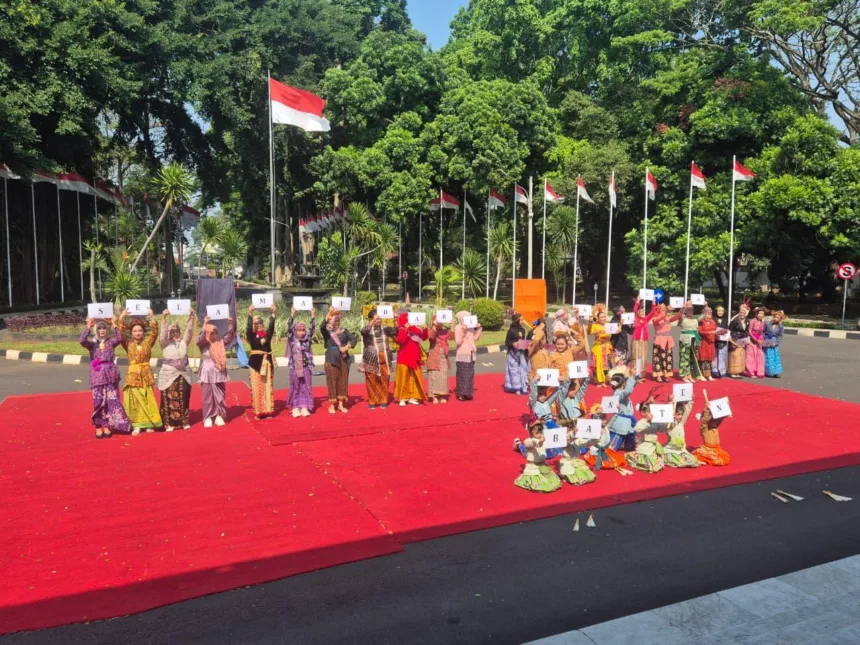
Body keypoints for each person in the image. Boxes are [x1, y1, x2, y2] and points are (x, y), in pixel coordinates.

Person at [80, 316, 132, 438]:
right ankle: (98, 426)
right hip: (97, 374)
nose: (102, 330)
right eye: (99, 328)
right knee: (98, 401)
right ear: (96, 330)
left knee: (111, 400)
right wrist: (88, 325)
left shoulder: (111, 342)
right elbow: (82, 340)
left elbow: (120, 338)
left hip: (111, 374)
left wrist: (114, 324)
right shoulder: (92, 344)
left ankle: (108, 425)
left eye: (104, 328)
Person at [118, 310, 163, 434]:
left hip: (146, 375)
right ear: (131, 333)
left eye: (140, 330)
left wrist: (152, 317)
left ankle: (148, 423)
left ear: (143, 332)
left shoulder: (148, 343)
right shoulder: (128, 344)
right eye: (135, 331)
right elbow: (120, 333)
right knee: (135, 400)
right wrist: (121, 317)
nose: (137, 333)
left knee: (147, 399)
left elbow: (155, 332)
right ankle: (136, 424)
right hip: (133, 376)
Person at [157, 309, 195, 431]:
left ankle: (184, 422)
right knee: (168, 398)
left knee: (184, 397)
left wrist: (191, 317)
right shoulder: (165, 343)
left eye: (177, 331)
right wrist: (164, 318)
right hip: (169, 375)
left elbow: (189, 332)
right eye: (172, 331)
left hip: (184, 375)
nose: (175, 333)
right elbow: (162, 334)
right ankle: (169, 424)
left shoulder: (184, 343)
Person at [197, 316, 235, 427]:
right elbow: (201, 338)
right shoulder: (203, 342)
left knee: (220, 395)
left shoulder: (220, 342)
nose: (212, 334)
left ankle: (219, 415)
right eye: (210, 332)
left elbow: (229, 337)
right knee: (207, 396)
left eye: (215, 332)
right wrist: (205, 324)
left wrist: (230, 324)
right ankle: (208, 417)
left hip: (219, 370)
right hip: (207, 372)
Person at [321, 307, 358, 414]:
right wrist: (329, 312)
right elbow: (322, 326)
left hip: (343, 358)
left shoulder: (344, 331)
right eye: (334, 319)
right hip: (331, 358)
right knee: (332, 381)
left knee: (343, 380)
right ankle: (332, 404)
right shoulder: (327, 332)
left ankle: (341, 404)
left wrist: (347, 347)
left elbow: (354, 339)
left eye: (338, 319)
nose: (336, 321)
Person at [360, 308, 395, 409]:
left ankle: (383, 399)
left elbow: (395, 331)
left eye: (380, 319)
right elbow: (363, 331)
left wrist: (396, 320)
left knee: (384, 379)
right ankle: (372, 401)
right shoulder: (367, 329)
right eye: (376, 319)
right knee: (371, 380)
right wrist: (372, 323)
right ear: (371, 319)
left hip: (384, 357)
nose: (379, 321)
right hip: (371, 358)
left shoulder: (385, 328)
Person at [512, 423, 563, 493]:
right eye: (537, 433)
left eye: (540, 432)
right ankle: (518, 444)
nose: (539, 434)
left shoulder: (542, 439)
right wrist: (540, 441)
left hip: (542, 464)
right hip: (533, 465)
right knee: (523, 449)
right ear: (531, 433)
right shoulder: (528, 440)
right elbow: (532, 442)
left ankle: (518, 444)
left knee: (552, 480)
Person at [247, 304, 277, 420]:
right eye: (256, 323)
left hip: (267, 363)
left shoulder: (267, 335)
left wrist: (273, 314)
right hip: (255, 364)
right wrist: (250, 314)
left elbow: (271, 327)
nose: (259, 325)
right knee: (257, 387)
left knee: (267, 386)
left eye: (260, 323)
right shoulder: (251, 336)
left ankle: (267, 410)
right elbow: (248, 328)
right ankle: (259, 412)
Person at [286, 307, 317, 417]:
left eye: (303, 330)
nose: (301, 332)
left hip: (306, 367)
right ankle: (295, 408)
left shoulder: (307, 339)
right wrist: (292, 314)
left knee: (306, 386)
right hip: (294, 368)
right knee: (296, 386)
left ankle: (304, 407)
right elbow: (289, 328)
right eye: (299, 330)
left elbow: (312, 329)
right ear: (295, 331)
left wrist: (313, 315)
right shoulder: (292, 339)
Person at [394, 311, 428, 406]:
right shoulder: (401, 329)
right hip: (404, 358)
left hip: (415, 357)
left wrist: (425, 329)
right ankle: (402, 398)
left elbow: (424, 338)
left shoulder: (416, 329)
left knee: (413, 378)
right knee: (403, 378)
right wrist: (406, 329)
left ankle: (413, 397)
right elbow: (400, 340)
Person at [692, 389, 731, 466]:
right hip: (707, 449)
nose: (716, 422)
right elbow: (705, 421)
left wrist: (726, 405)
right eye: (713, 420)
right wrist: (707, 410)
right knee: (715, 460)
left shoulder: (715, 426)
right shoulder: (705, 428)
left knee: (725, 459)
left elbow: (720, 418)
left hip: (716, 449)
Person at [625, 399, 665, 473]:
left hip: (652, 447)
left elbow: (663, 429)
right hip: (644, 447)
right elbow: (637, 428)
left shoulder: (655, 422)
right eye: (648, 412)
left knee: (658, 462)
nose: (651, 414)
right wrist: (646, 419)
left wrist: (667, 421)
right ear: (642, 413)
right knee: (646, 463)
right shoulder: (642, 421)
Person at [605, 366, 638, 451]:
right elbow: (628, 391)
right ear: (623, 384)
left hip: (627, 423)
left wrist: (633, 377)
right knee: (611, 448)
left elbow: (629, 389)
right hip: (621, 424)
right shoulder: (618, 394)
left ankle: (625, 444)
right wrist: (631, 377)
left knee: (631, 446)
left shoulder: (619, 392)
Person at [663, 396, 699, 468]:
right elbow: (666, 414)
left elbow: (687, 411)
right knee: (680, 462)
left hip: (681, 451)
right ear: (673, 414)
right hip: (670, 450)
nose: (680, 416)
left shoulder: (681, 423)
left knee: (693, 461)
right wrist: (670, 402)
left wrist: (690, 399)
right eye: (678, 414)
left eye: (681, 414)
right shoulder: (670, 424)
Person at [454, 311, 482, 401]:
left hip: (471, 353)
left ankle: (468, 393)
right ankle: (461, 394)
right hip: (462, 353)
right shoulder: (458, 328)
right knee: (462, 373)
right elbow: (458, 341)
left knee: (469, 374)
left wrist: (479, 328)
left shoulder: (470, 327)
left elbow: (475, 338)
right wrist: (463, 330)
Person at [651, 303, 681, 382]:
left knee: (667, 358)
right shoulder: (655, 318)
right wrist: (664, 313)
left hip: (667, 340)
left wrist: (683, 308)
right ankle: (658, 375)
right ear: (658, 309)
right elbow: (658, 319)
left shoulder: (667, 318)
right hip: (659, 340)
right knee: (658, 358)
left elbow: (677, 316)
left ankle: (665, 374)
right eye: (662, 308)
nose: (664, 310)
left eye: (664, 308)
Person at [678, 301, 704, 383]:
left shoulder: (695, 318)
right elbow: (679, 314)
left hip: (694, 340)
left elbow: (704, 314)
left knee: (692, 358)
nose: (690, 311)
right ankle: (684, 375)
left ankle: (689, 374)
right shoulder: (682, 317)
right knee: (684, 357)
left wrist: (705, 305)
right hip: (685, 339)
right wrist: (683, 308)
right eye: (688, 310)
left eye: (691, 310)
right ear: (686, 310)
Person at [426, 315, 451, 404]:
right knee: (434, 376)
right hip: (434, 357)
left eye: (441, 322)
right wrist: (434, 325)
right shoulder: (431, 330)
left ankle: (442, 395)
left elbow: (451, 336)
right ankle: (434, 396)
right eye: (438, 322)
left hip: (443, 357)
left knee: (443, 376)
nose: (440, 324)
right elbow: (431, 337)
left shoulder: (444, 331)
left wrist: (452, 325)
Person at [503, 313, 530, 395]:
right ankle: (516, 388)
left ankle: (523, 386)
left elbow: (523, 339)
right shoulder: (511, 330)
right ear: (517, 321)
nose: (522, 321)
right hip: (512, 353)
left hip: (521, 352)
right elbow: (507, 342)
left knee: (522, 369)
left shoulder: (523, 330)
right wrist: (513, 344)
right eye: (521, 320)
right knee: (514, 370)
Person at [589, 305, 614, 387]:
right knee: (597, 365)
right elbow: (590, 332)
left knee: (605, 364)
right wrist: (597, 330)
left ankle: (604, 381)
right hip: (598, 347)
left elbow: (616, 331)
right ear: (598, 318)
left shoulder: (608, 325)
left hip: (606, 347)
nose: (604, 318)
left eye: (604, 317)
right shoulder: (595, 325)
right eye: (602, 317)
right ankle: (599, 381)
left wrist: (620, 324)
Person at [631, 297, 655, 379]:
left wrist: (653, 303)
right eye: (640, 312)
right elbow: (634, 310)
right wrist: (637, 301)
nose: (642, 313)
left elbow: (652, 313)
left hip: (644, 341)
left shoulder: (646, 320)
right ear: (637, 313)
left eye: (643, 312)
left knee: (643, 358)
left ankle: (642, 375)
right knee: (636, 357)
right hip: (636, 341)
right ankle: (635, 374)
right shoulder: (635, 319)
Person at [728, 304, 750, 379]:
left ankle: (738, 372)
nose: (742, 314)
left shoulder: (747, 321)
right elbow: (730, 330)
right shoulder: (735, 320)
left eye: (743, 313)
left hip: (743, 340)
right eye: (741, 313)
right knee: (734, 356)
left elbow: (747, 331)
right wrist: (732, 341)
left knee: (740, 356)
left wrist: (747, 340)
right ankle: (732, 372)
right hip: (735, 339)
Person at [763, 310, 786, 378]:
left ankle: (776, 372)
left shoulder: (781, 326)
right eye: (775, 317)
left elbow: (780, 335)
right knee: (767, 357)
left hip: (774, 343)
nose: (776, 318)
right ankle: (767, 371)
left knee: (775, 358)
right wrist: (764, 338)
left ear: (780, 319)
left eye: (778, 317)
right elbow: (763, 332)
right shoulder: (767, 323)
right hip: (767, 342)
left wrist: (776, 343)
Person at [697, 306, 718, 381]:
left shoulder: (713, 322)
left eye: (710, 314)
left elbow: (716, 330)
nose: (708, 316)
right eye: (706, 314)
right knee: (703, 359)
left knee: (709, 359)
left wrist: (721, 333)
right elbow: (699, 331)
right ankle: (701, 374)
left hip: (711, 343)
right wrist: (708, 332)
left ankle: (708, 375)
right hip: (704, 342)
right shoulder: (701, 322)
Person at [746, 307, 766, 378]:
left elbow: (762, 332)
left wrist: (761, 340)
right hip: (752, 340)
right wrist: (755, 339)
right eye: (760, 313)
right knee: (751, 357)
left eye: (762, 314)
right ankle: (751, 372)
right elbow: (750, 331)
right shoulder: (752, 321)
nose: (761, 315)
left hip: (759, 341)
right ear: (756, 314)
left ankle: (759, 371)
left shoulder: (762, 322)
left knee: (760, 356)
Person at [712, 305, 730, 378]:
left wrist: (728, 336)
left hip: (723, 340)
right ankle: (715, 370)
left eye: (722, 311)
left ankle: (722, 371)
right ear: (716, 311)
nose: (720, 312)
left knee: (722, 355)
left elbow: (727, 329)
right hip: (714, 339)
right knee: (715, 355)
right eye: (719, 311)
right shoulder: (713, 319)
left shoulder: (725, 320)